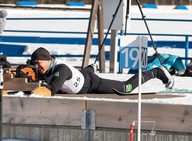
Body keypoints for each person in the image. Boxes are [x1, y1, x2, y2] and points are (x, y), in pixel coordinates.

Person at [30, 47, 175, 95]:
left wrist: (31, 88)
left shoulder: (60, 69)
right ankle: (93, 68)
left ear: (48, 59)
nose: (37, 67)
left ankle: (157, 72)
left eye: (38, 63)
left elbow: (52, 89)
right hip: (82, 78)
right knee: (86, 72)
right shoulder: (48, 66)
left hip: (92, 84)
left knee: (126, 88)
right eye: (34, 64)